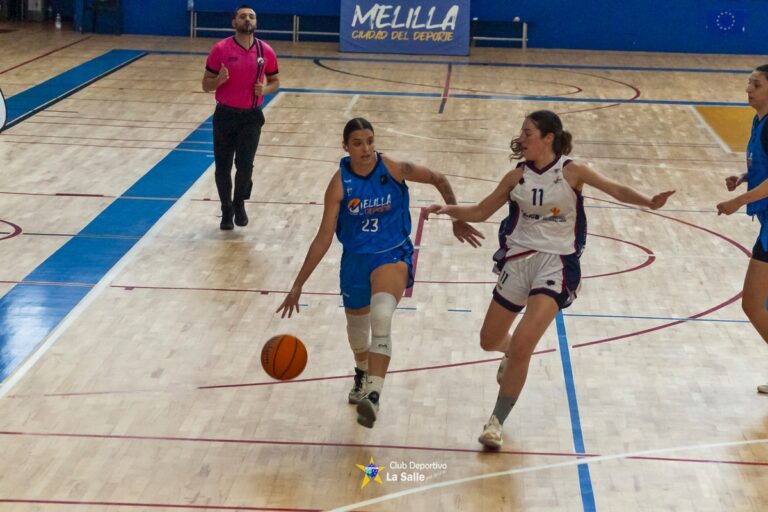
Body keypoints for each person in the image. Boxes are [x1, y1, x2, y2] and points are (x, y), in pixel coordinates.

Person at [425, 110, 675, 448]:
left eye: (528, 132)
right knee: (489, 339)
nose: (522, 138)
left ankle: (496, 421)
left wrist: (649, 201)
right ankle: (509, 354)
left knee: (526, 342)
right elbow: (481, 212)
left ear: (548, 138)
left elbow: (615, 188)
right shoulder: (516, 177)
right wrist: (448, 211)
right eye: (522, 133)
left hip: (557, 263)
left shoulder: (572, 171)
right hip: (517, 259)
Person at [276, 117, 484, 428]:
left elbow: (439, 178)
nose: (366, 148)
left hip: (392, 254)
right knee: (358, 334)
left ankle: (373, 394)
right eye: (358, 143)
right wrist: (298, 284)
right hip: (356, 260)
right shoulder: (338, 184)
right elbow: (323, 238)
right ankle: (361, 372)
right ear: (346, 147)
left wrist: (455, 215)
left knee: (382, 316)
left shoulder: (394, 169)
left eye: (370, 141)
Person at [202, 5, 280, 230]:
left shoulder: (266, 51)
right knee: (223, 167)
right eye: (243, 16)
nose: (248, 19)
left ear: (256, 23)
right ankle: (226, 208)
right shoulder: (220, 49)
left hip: (251, 117)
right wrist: (218, 81)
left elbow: (275, 81)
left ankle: (239, 202)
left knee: (245, 165)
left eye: (252, 16)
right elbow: (205, 84)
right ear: (234, 22)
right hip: (225, 115)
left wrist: (264, 90)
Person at [716, 64, 768, 395]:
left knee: (752, 303)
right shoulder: (758, 121)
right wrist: (744, 177)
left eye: (757, 84)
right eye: (749, 83)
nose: (748, 89)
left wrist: (739, 201)